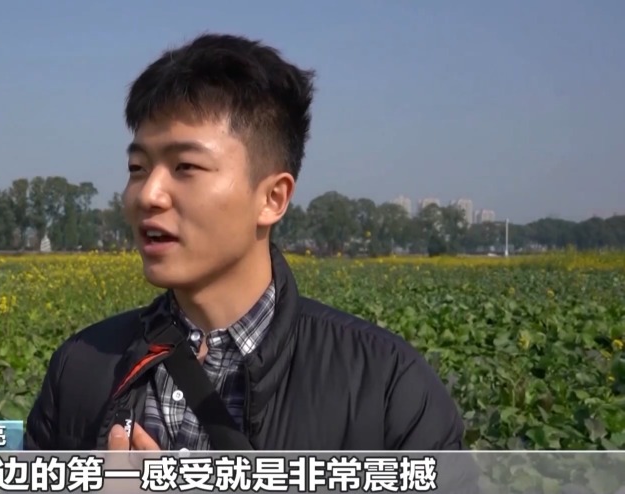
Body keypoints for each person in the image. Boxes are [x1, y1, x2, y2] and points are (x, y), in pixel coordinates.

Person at [24, 32, 469, 455]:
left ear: (272, 198)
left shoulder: (389, 387)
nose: (147, 195)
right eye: (138, 168)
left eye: (185, 167)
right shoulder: (81, 368)